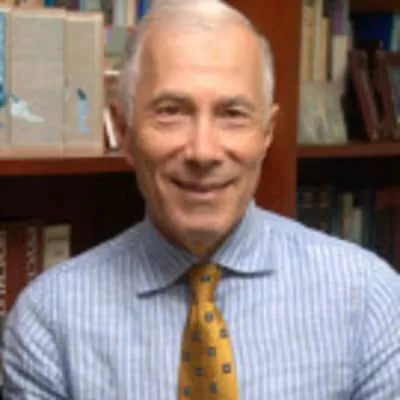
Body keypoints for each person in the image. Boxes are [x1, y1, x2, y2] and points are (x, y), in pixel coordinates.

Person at [2, 0, 400, 399]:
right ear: (123, 131)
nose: (203, 152)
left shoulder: (368, 300)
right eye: (171, 111)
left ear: (267, 133)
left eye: (232, 114)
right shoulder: (50, 323)